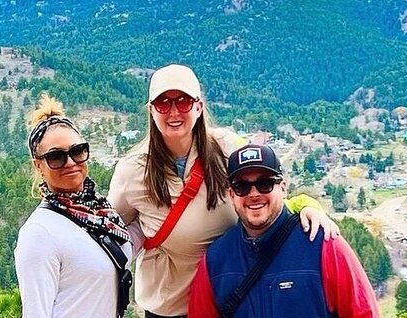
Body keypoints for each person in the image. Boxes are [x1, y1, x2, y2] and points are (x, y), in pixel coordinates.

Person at [109, 64, 339, 318]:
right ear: (151, 110)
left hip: (234, 299)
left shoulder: (227, 147)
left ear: (199, 107)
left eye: (183, 101)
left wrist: (306, 206)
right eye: (163, 103)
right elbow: (112, 231)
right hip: (172, 307)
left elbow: (267, 186)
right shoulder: (132, 171)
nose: (174, 111)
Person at [189, 144, 380, 318]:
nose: (254, 194)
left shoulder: (322, 243)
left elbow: (364, 313)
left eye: (265, 183)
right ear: (231, 194)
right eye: (242, 187)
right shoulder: (215, 260)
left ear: (283, 188)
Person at [15, 95, 132, 318]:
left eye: (77, 151)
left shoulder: (101, 215)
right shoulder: (39, 233)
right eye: (56, 157)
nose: (70, 162)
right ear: (38, 165)